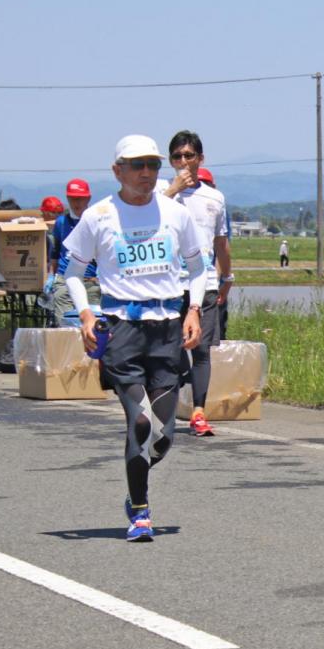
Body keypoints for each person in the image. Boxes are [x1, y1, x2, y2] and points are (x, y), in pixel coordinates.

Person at [62, 134, 207, 542]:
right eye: (136, 165)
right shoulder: (99, 215)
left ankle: (136, 479)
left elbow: (198, 269)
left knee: (163, 435)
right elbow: (72, 272)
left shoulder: (175, 214)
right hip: (122, 329)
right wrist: (86, 314)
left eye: (153, 165)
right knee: (140, 422)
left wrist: (193, 309)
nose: (146, 173)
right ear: (117, 171)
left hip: (166, 329)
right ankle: (140, 510)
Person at [158, 130, 232, 437]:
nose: (183, 162)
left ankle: (199, 412)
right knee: (170, 347)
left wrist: (227, 277)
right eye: (177, 157)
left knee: (202, 349)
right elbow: (147, 218)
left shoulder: (214, 197)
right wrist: (173, 190)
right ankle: (169, 400)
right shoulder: (161, 191)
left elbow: (221, 243)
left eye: (189, 156)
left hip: (205, 281)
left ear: (201, 159)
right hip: (169, 283)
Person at [48, 179, 99, 325]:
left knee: (92, 326)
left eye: (80, 199)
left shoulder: (96, 221)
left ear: (88, 198)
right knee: (66, 325)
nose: (76, 203)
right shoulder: (61, 223)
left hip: (91, 281)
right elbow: (56, 252)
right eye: (72, 199)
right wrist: (51, 276)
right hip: (64, 280)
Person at [197, 167, 232, 340]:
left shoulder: (217, 207)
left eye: (206, 184)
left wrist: (219, 280)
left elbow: (222, 246)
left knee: (213, 333)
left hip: (209, 279)